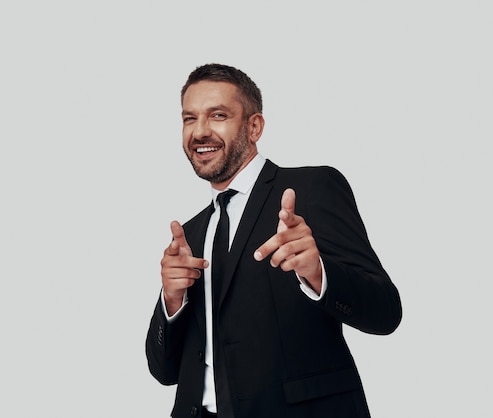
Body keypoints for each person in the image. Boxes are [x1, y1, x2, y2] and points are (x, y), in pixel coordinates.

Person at [145, 63, 402, 418]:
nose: (200, 131)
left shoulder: (312, 190)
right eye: (189, 119)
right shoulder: (191, 234)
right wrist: (171, 300)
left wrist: (319, 273)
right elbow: (164, 372)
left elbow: (386, 313)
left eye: (218, 115)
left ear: (254, 127)